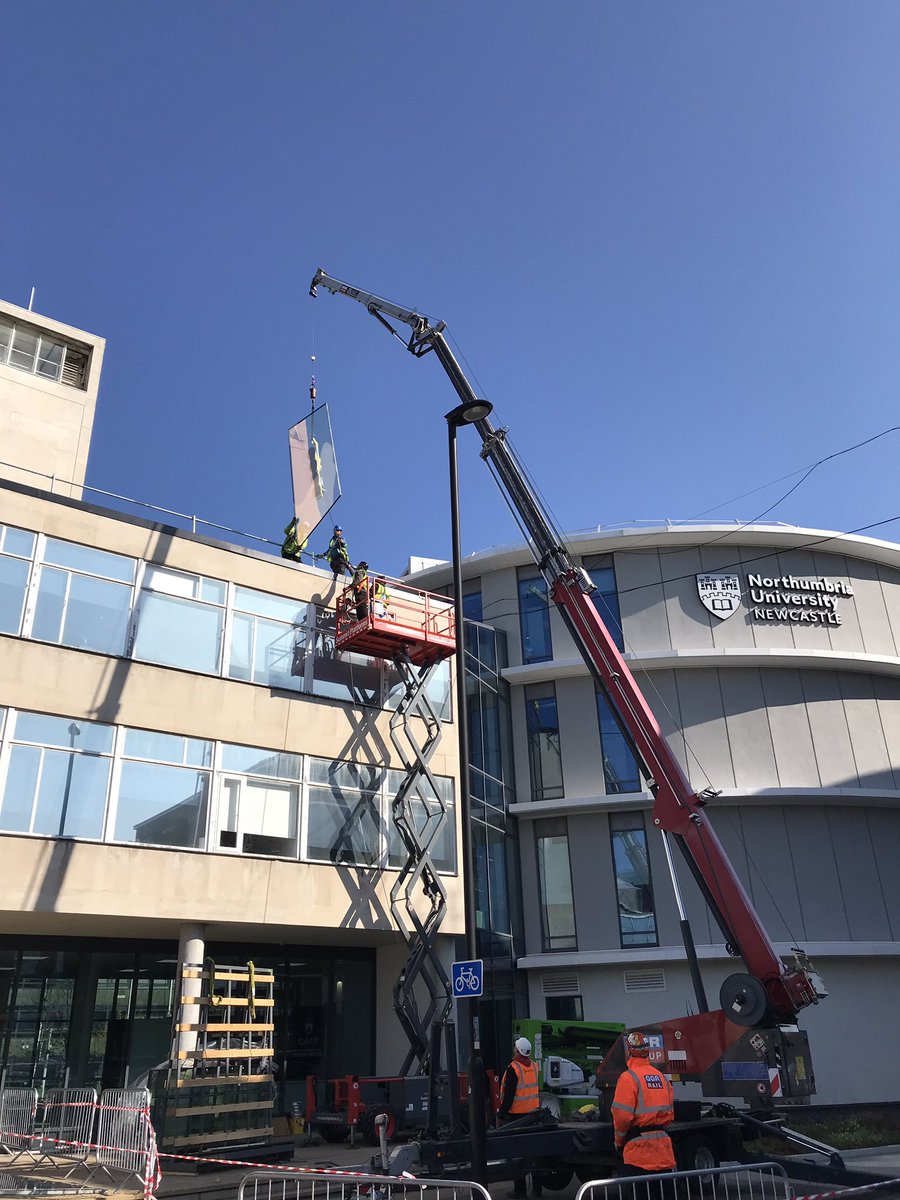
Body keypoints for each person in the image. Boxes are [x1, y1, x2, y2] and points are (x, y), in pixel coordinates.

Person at [611, 1032, 675, 1191]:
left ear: (629, 1051)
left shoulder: (628, 1078)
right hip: (663, 1152)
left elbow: (622, 1117)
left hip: (638, 1155)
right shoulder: (661, 1077)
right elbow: (669, 1115)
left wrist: (619, 1143)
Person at [498, 1036, 542, 1199]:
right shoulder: (535, 1067)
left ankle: (520, 1190)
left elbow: (509, 1096)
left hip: (517, 1117)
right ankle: (537, 1189)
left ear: (517, 1050)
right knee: (534, 1153)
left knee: (518, 1154)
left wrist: (501, 1114)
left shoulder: (513, 1068)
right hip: (534, 1115)